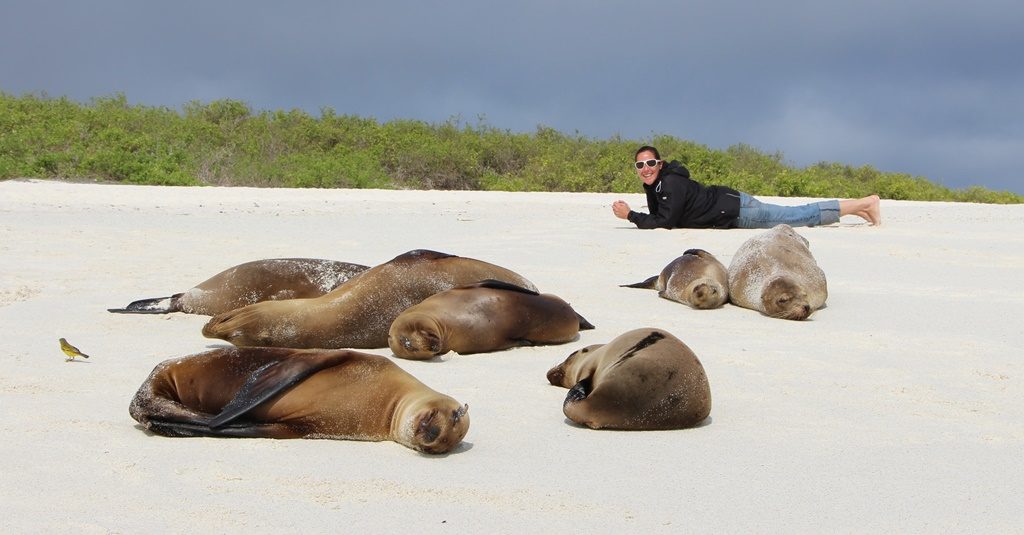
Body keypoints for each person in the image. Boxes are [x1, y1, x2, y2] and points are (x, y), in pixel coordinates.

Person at [611, 145, 881, 229]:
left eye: (650, 163)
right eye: (640, 166)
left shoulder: (669, 182)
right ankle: (856, 209)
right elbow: (663, 214)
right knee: (794, 215)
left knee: (796, 216)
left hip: (738, 210)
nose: (645, 169)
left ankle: (864, 203)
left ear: (660, 163)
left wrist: (631, 216)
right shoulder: (658, 185)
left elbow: (665, 221)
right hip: (730, 204)